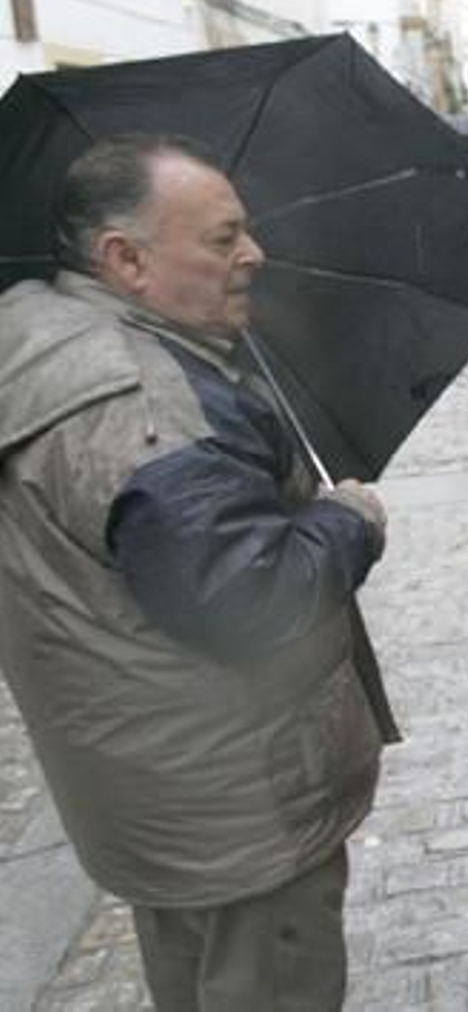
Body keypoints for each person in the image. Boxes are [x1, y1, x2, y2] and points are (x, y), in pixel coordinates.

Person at [0, 135, 391, 1005]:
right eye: (222, 239)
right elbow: (251, 598)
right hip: (237, 806)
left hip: (160, 790)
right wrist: (348, 519)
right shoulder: (146, 411)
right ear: (125, 259)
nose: (253, 254)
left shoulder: (40, 330)